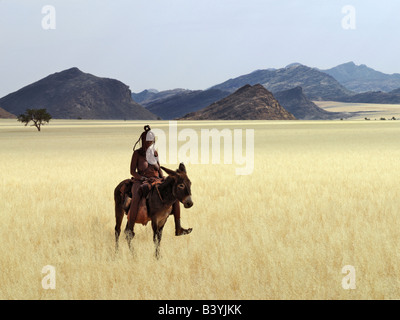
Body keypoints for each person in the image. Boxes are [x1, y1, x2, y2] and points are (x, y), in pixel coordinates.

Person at [124, 125, 192, 240]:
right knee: (136, 196)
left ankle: (178, 227)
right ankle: (130, 228)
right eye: (147, 140)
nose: (149, 143)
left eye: (151, 140)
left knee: (174, 194)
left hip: (156, 179)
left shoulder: (154, 153)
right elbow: (132, 171)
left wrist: (162, 177)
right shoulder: (137, 154)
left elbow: (159, 168)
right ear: (143, 140)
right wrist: (141, 178)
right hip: (140, 180)